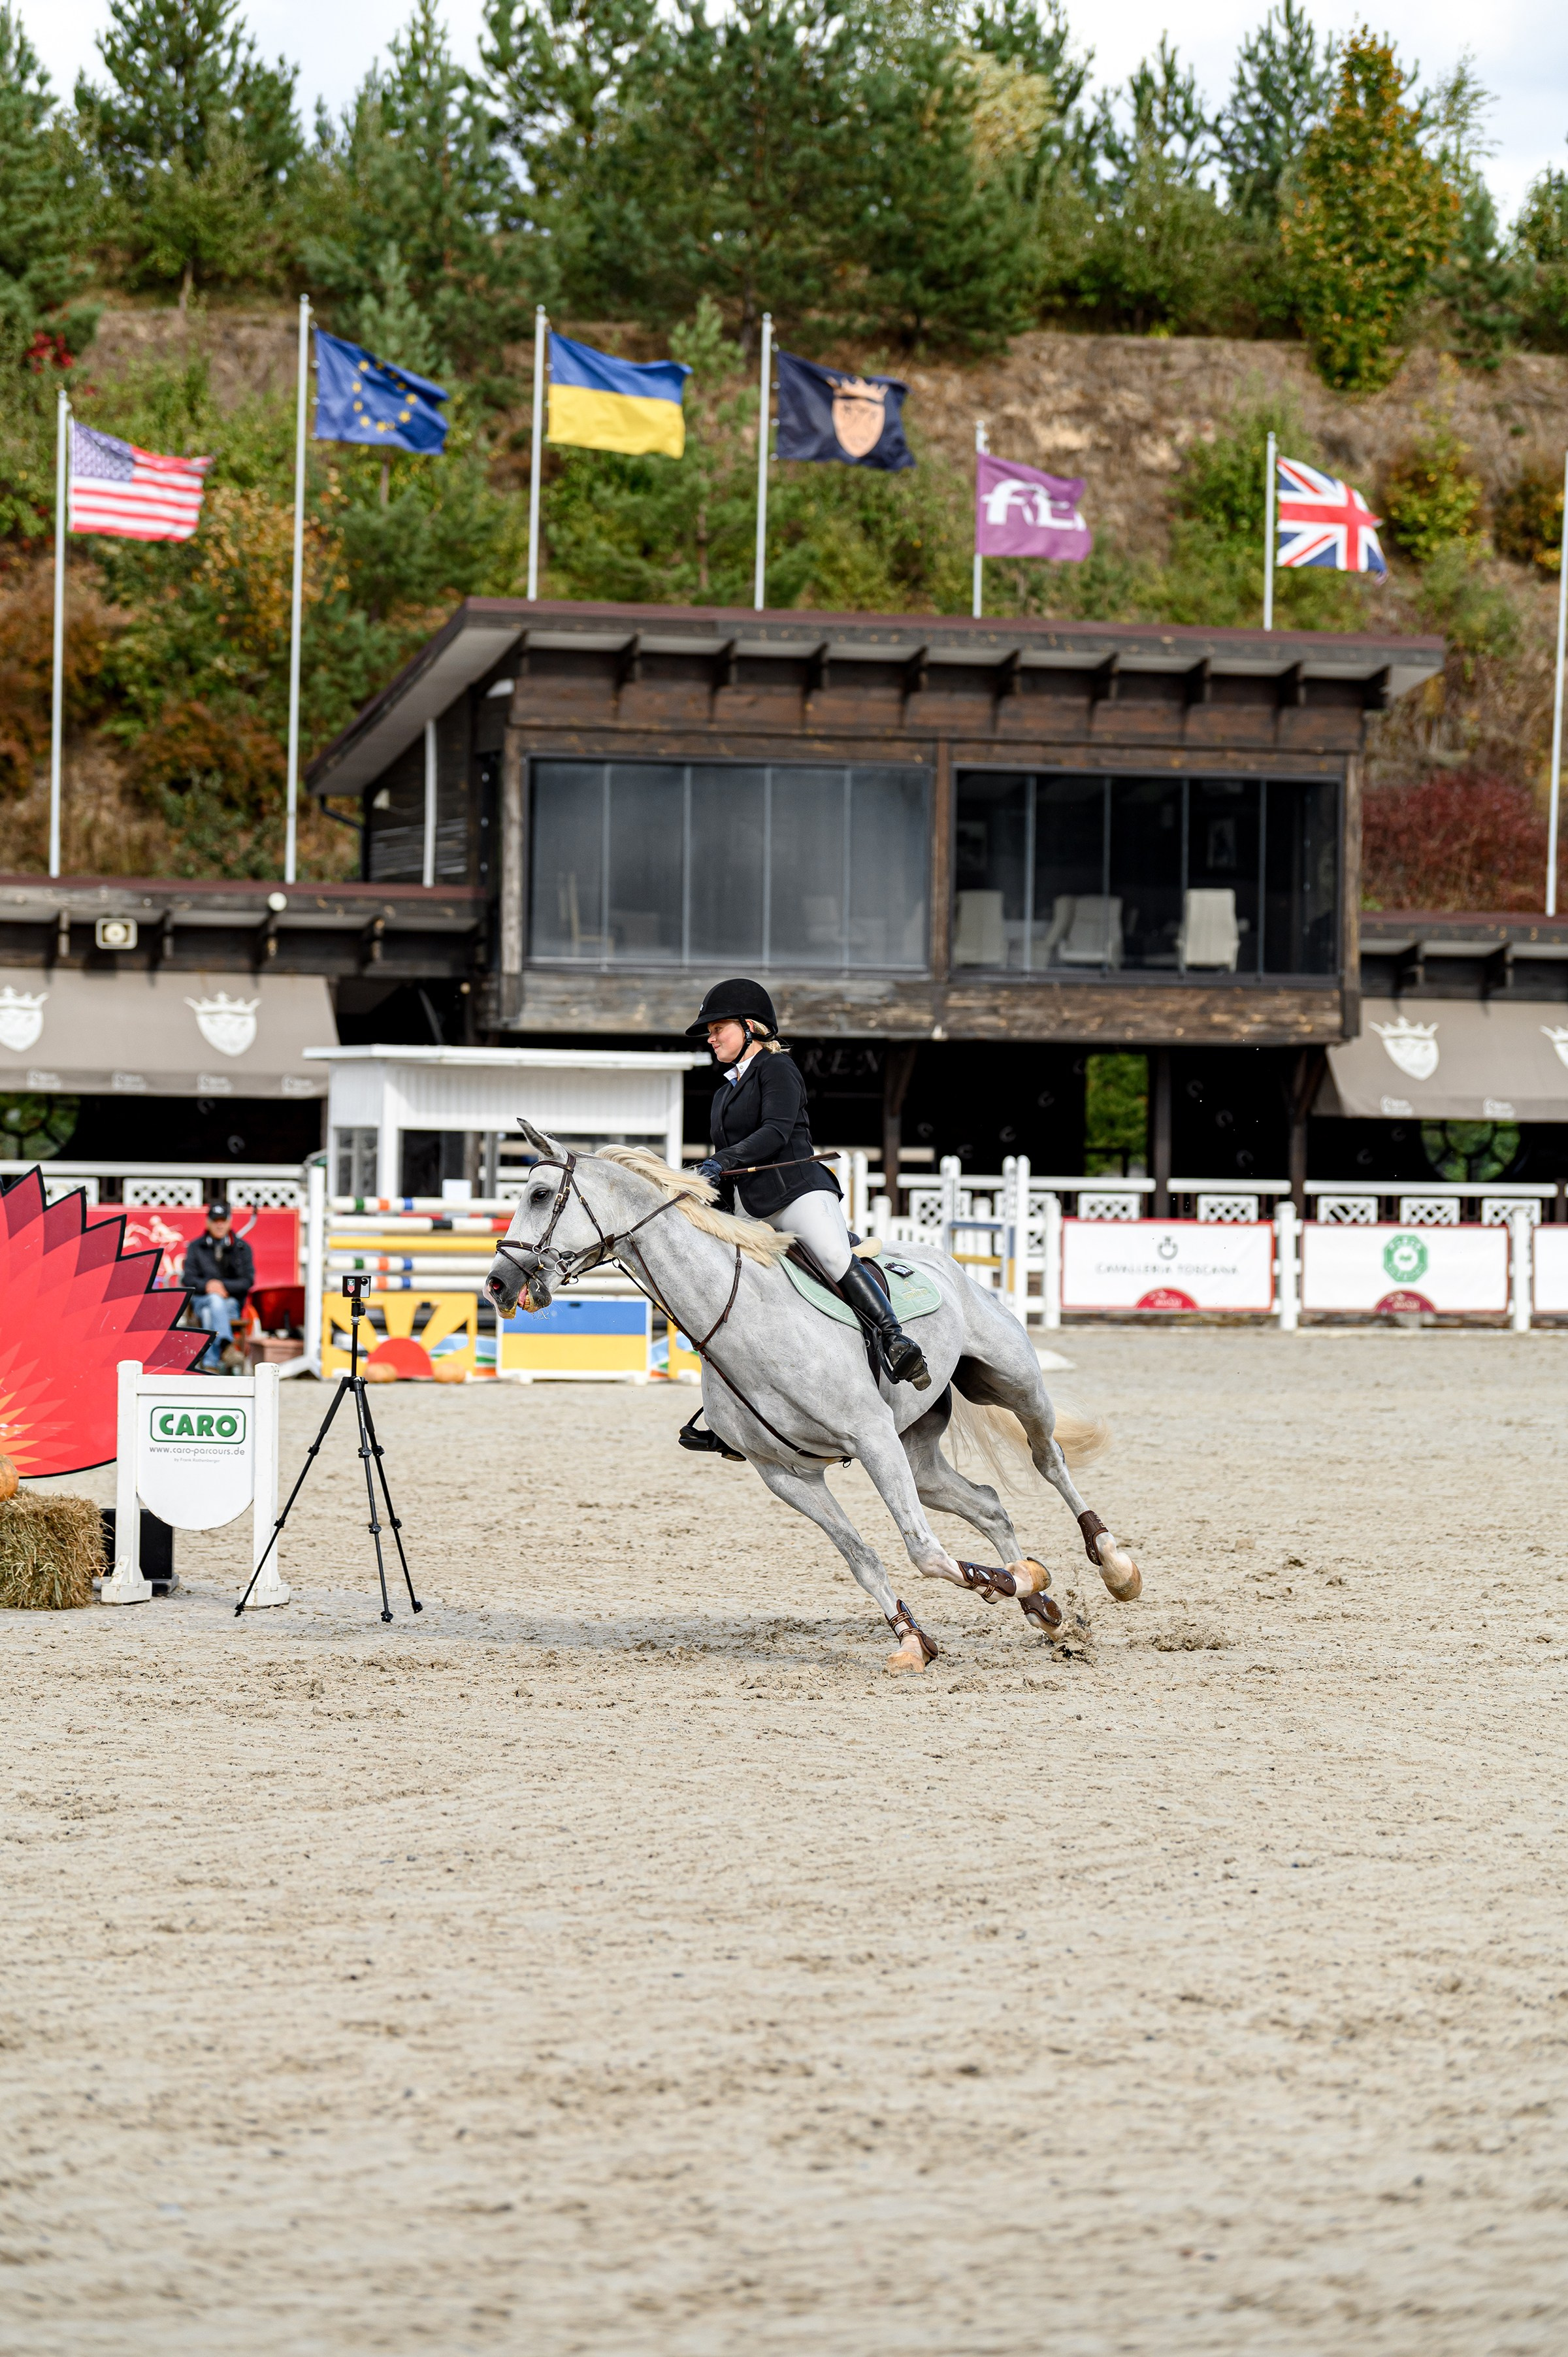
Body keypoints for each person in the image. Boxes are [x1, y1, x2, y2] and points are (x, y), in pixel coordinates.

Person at [684, 978, 930, 1397]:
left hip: (795, 1193)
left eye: (717, 1028)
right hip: (749, 1206)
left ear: (749, 1028)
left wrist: (720, 1161)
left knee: (834, 1255)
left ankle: (894, 1339)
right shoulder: (723, 1093)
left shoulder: (778, 1069)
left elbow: (775, 1132)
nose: (710, 1037)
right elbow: (726, 1155)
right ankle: (732, 1402)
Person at [181, 1202, 255, 1374]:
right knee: (214, 1301)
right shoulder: (196, 1247)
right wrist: (208, 1286)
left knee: (211, 1311)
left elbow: (247, 1281)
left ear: (229, 1221)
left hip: (231, 1304)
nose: (219, 1224)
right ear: (208, 1222)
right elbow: (189, 1279)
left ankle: (210, 1364)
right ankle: (226, 1345)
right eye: (215, 1220)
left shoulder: (242, 1248)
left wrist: (223, 1286)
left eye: (223, 1220)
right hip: (202, 1299)